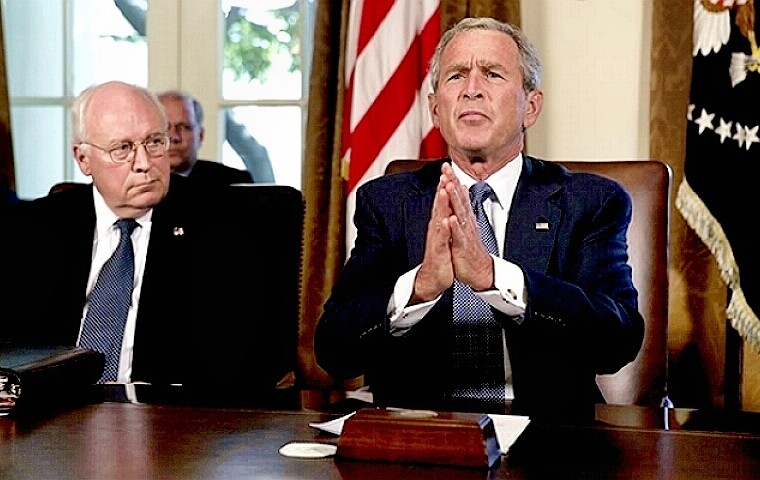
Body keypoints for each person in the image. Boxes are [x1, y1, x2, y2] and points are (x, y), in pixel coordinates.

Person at [314, 17, 644, 420]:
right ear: (436, 109)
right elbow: (334, 350)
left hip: (548, 438)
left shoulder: (590, 202)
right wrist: (418, 289)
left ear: (531, 107)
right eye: (456, 76)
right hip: (423, 439)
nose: (472, 89)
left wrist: (495, 279)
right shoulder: (388, 202)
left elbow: (618, 340)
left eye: (492, 73)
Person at [0, 81, 295, 402]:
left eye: (154, 142)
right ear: (83, 158)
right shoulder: (34, 230)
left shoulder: (224, 228)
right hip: (50, 421)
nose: (143, 163)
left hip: (170, 425)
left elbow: (244, 362)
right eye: (122, 149)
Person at [157, 90, 252, 185]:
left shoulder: (234, 181)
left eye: (185, 127)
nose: (174, 137)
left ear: (200, 136)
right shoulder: (142, 181)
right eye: (165, 127)